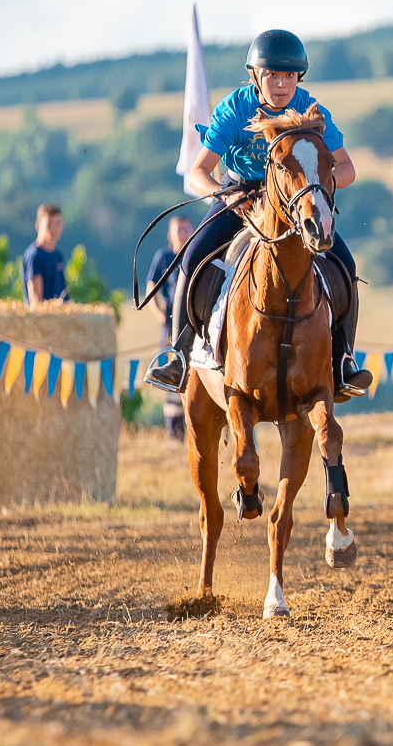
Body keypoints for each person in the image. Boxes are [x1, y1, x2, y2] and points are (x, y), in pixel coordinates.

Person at [144, 29, 373, 399]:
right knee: (192, 254)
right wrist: (227, 195)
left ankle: (343, 361)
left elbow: (347, 169)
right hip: (240, 197)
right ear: (255, 75)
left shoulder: (311, 111)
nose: (281, 85)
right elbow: (197, 172)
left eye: (289, 76)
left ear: (299, 78)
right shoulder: (236, 108)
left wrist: (311, 184)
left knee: (345, 263)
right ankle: (179, 353)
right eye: (272, 75)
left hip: (292, 202)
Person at [146, 215, 194, 439]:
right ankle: (174, 433)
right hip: (171, 324)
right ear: (170, 235)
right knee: (172, 377)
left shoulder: (196, 254)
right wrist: (160, 318)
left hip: (194, 321)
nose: (183, 233)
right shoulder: (163, 257)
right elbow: (150, 290)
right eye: (178, 229)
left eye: (186, 229)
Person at [22, 205, 68, 305]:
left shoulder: (57, 255)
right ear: (38, 225)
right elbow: (36, 301)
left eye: (58, 224)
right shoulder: (35, 256)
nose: (54, 228)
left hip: (59, 318)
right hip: (44, 319)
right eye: (49, 224)